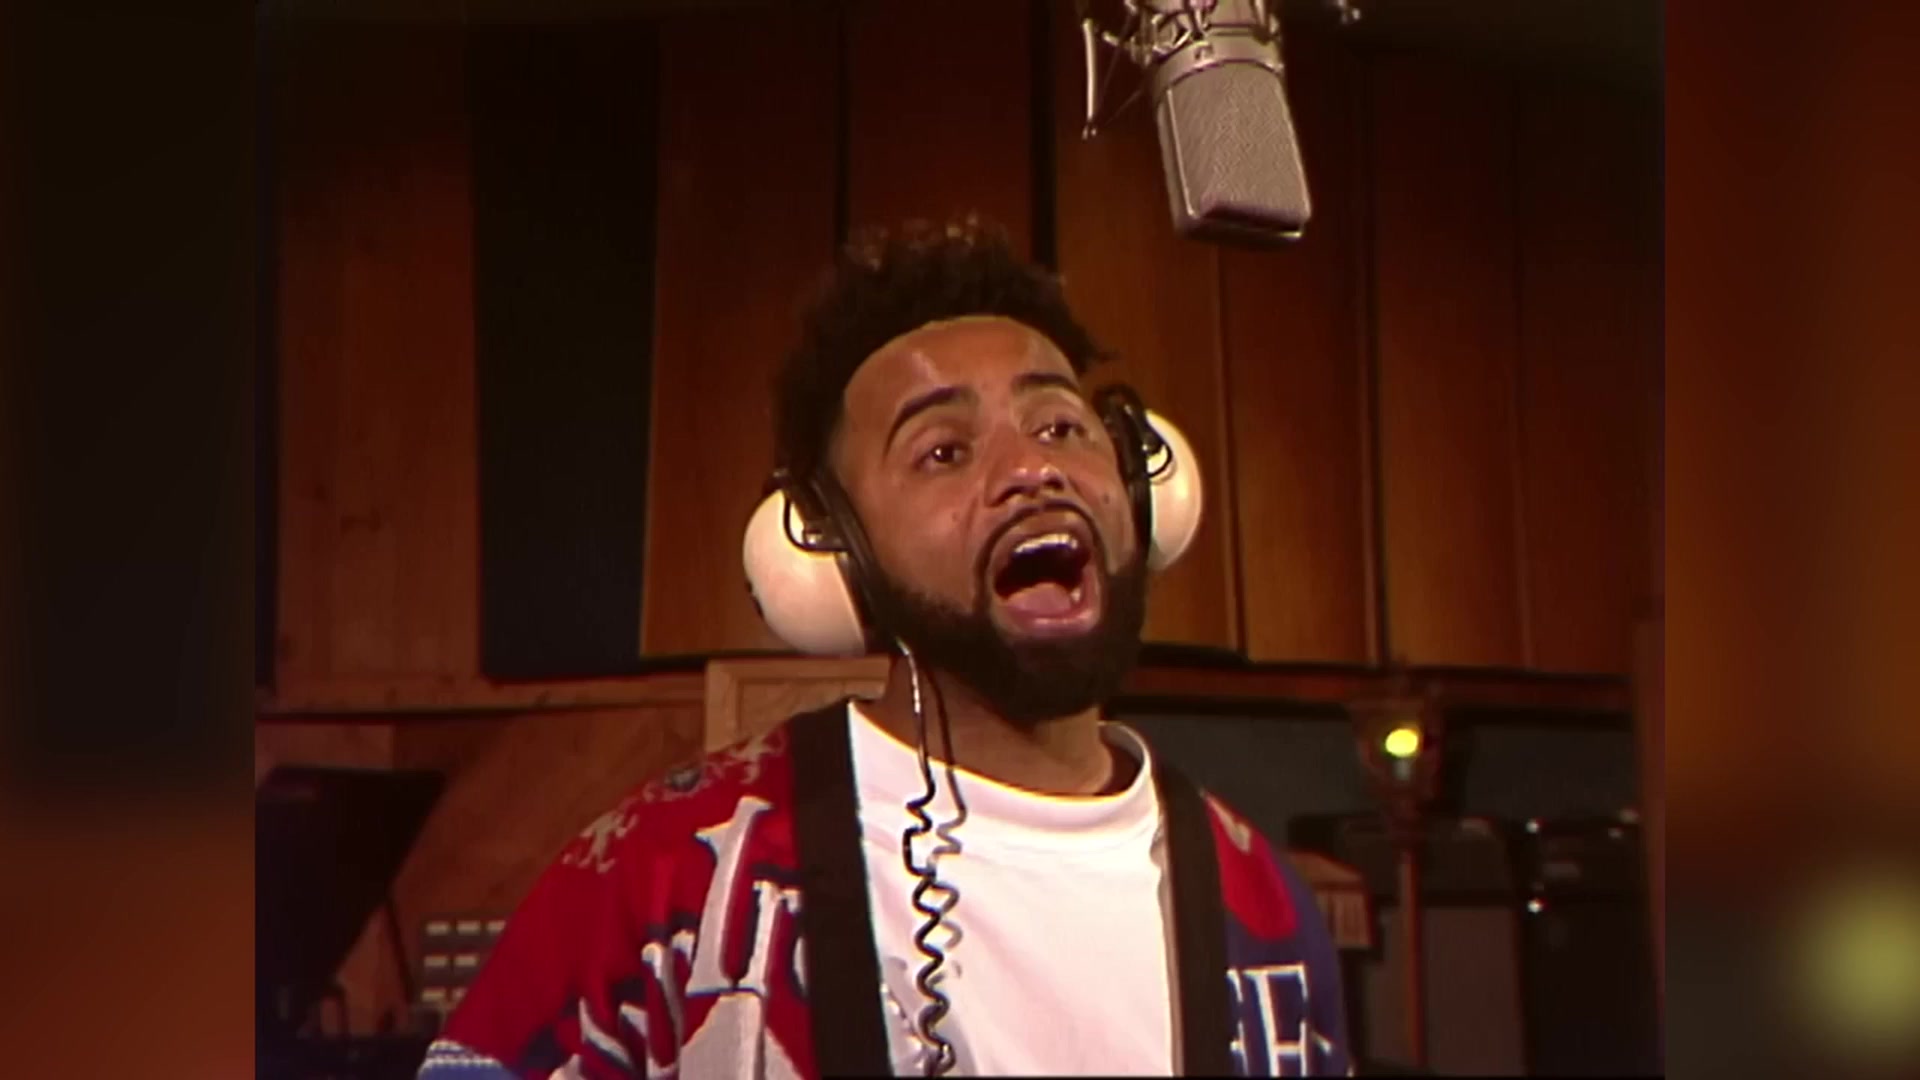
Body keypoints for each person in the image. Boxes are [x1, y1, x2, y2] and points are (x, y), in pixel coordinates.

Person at [420, 218, 1353, 1078]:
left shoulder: (1261, 902)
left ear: (1146, 491)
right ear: (835, 554)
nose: (1032, 469)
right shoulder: (665, 876)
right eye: (944, 451)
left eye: (1061, 426)